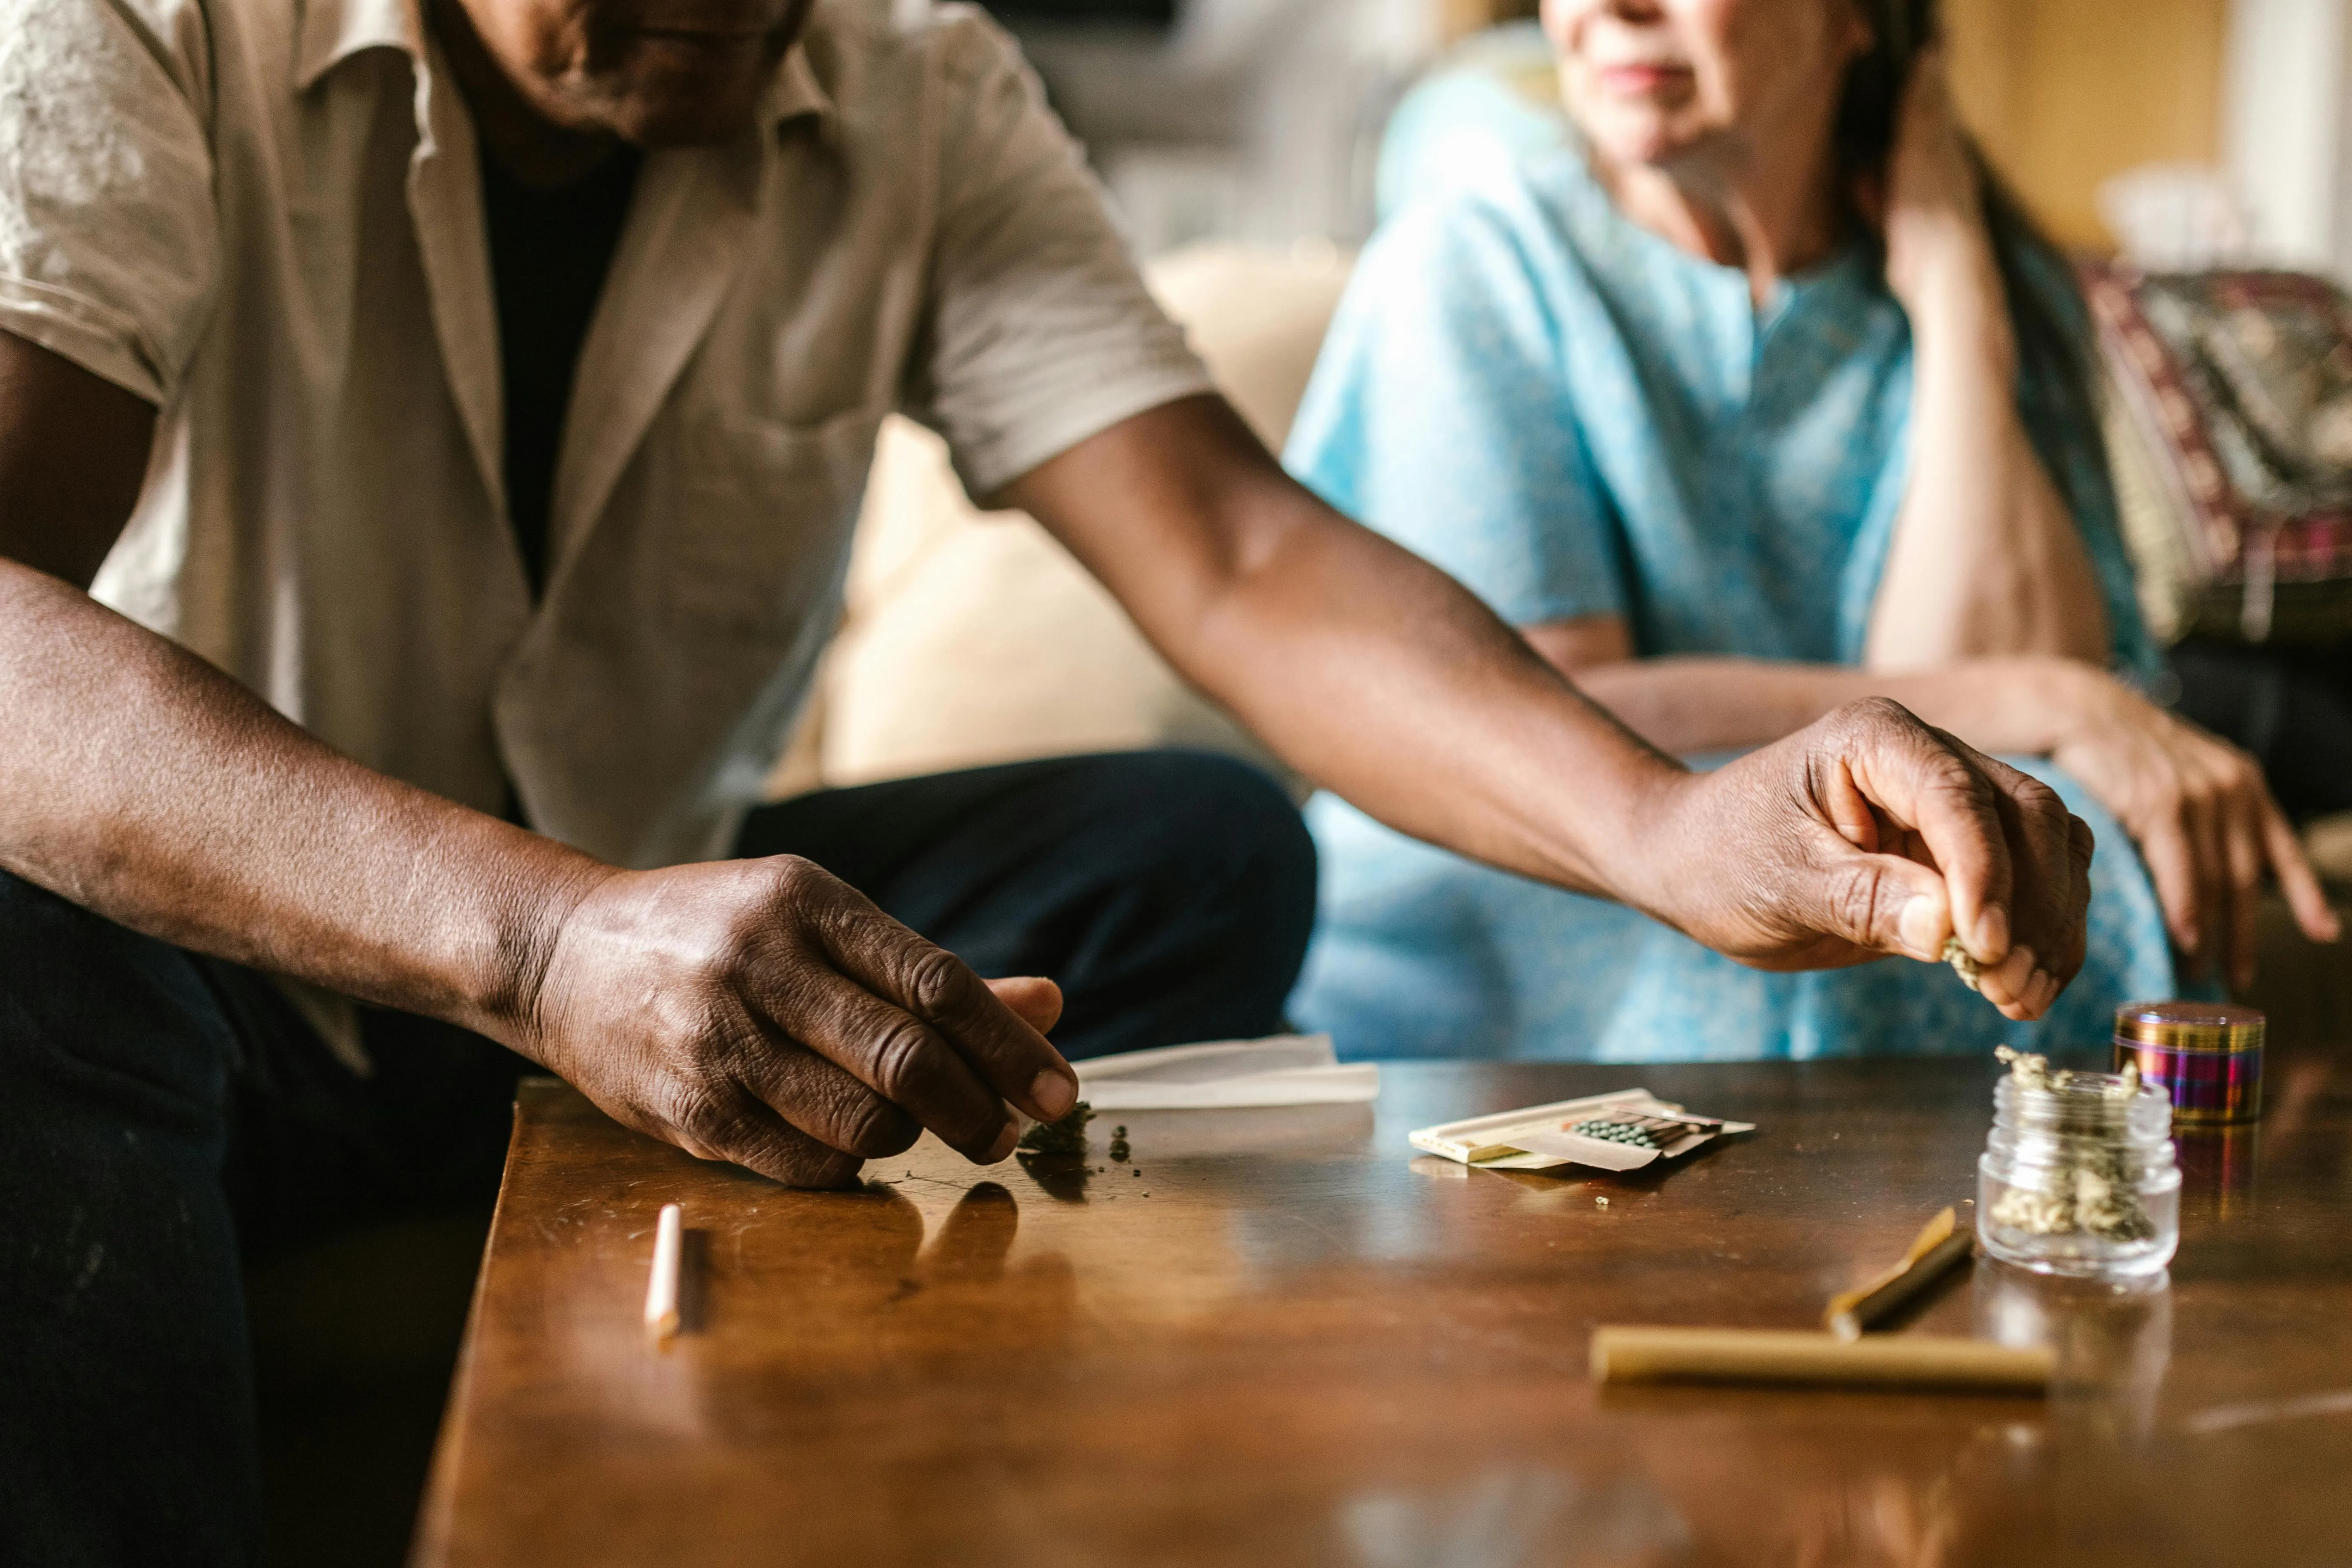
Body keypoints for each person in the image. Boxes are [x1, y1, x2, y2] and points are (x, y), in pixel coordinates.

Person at [0, 0, 2094, 1558]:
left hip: (625, 962)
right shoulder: (144, 27)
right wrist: (549, 945)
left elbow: (1236, 550)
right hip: (228, 996)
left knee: (1188, 854)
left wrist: (1664, 822)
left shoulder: (910, 82)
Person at [1285, 0, 2340, 1061]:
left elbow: (2000, 771)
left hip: (1837, 829)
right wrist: (2047, 697)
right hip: (1533, 857)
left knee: (2040, 862)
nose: (1610, 7)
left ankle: (2084, 1223)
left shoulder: (2004, 289)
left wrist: (1956, 296)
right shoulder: (1472, 262)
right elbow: (1533, 711)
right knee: (1818, 942)